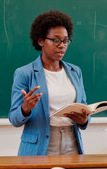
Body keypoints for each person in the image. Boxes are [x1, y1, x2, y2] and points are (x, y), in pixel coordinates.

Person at [9, 10, 90, 156]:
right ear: (41, 41)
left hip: (72, 142)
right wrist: (25, 108)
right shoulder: (24, 73)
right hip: (40, 145)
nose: (62, 45)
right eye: (56, 40)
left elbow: (83, 106)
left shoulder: (75, 71)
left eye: (65, 40)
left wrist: (84, 120)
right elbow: (14, 118)